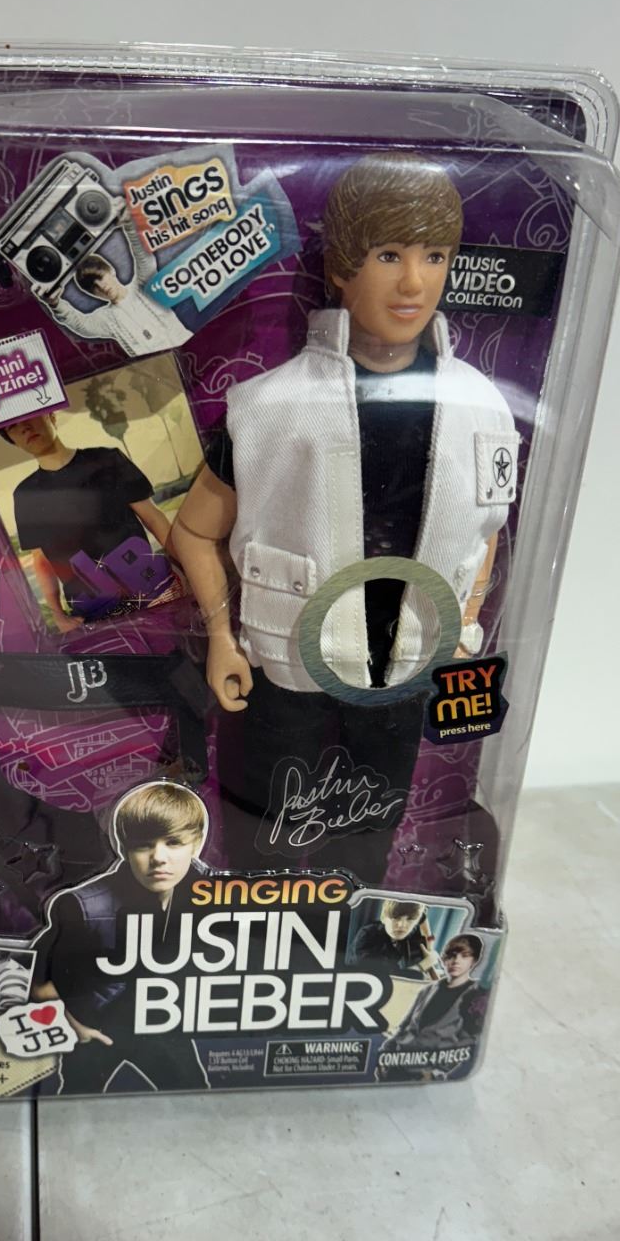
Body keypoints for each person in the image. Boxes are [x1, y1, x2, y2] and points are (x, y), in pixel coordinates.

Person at [171, 153, 519, 880]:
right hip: (284, 656)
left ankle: (353, 919)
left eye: (434, 256)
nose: (414, 283)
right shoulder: (270, 408)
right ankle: (259, 910)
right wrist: (221, 637)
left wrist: (465, 623)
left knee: (372, 830)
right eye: (389, 256)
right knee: (265, 823)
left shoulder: (481, 406)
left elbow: (486, 529)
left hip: (411, 658)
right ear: (340, 268)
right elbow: (195, 530)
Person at [30, 782, 211, 1093]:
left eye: (174, 842)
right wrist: (78, 1029)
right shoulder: (81, 906)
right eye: (143, 845)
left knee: (195, 1094)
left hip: (162, 1028)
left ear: (195, 845)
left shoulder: (211, 894)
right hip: (98, 1031)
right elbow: (39, 982)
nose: (159, 858)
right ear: (124, 848)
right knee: (75, 1103)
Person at [0, 413, 177, 629]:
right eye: (12, 427)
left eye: (29, 416)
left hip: (151, 588)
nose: (24, 427)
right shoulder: (26, 495)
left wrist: (185, 568)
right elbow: (42, 561)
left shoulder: (107, 459)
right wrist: (59, 617)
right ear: (12, 440)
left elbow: (153, 517)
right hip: (94, 612)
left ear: (50, 415)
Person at [376, 933, 487, 1077]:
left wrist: (437, 1072)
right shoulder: (427, 990)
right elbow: (404, 1026)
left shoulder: (476, 995)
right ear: (444, 959)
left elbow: (469, 1040)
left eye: (464, 956)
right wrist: (384, 1054)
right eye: (451, 956)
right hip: (396, 1062)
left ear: (474, 960)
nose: (456, 961)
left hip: (427, 1071)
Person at [45, 251, 189, 358]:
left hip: (188, 347)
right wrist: (55, 303)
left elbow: (144, 259)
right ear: (92, 294)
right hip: (163, 368)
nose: (101, 286)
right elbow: (79, 324)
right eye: (94, 286)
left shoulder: (142, 286)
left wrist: (130, 226)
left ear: (111, 271)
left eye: (101, 277)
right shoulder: (106, 318)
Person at [351, 900, 442, 984]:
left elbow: (423, 917)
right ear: (383, 918)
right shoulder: (367, 936)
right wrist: (425, 964)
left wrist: (430, 948)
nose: (402, 925)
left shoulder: (410, 932)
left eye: (410, 919)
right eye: (396, 918)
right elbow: (387, 979)